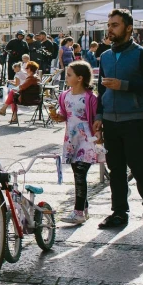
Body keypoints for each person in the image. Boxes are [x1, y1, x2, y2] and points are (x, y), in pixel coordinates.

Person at [94, 9, 143, 229]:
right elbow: (100, 89)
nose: (110, 29)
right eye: (109, 24)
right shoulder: (105, 56)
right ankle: (119, 213)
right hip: (110, 121)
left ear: (128, 28)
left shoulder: (142, 54)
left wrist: (123, 86)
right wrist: (98, 116)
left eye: (115, 25)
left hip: (136, 120)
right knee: (115, 169)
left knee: (140, 167)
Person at [49, 62, 103, 225]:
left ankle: (78, 212)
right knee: (78, 174)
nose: (67, 77)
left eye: (70, 74)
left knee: (80, 173)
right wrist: (57, 116)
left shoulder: (90, 98)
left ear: (80, 78)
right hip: (71, 140)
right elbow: (65, 115)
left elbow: (96, 119)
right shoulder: (64, 95)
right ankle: (83, 209)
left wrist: (99, 136)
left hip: (86, 139)